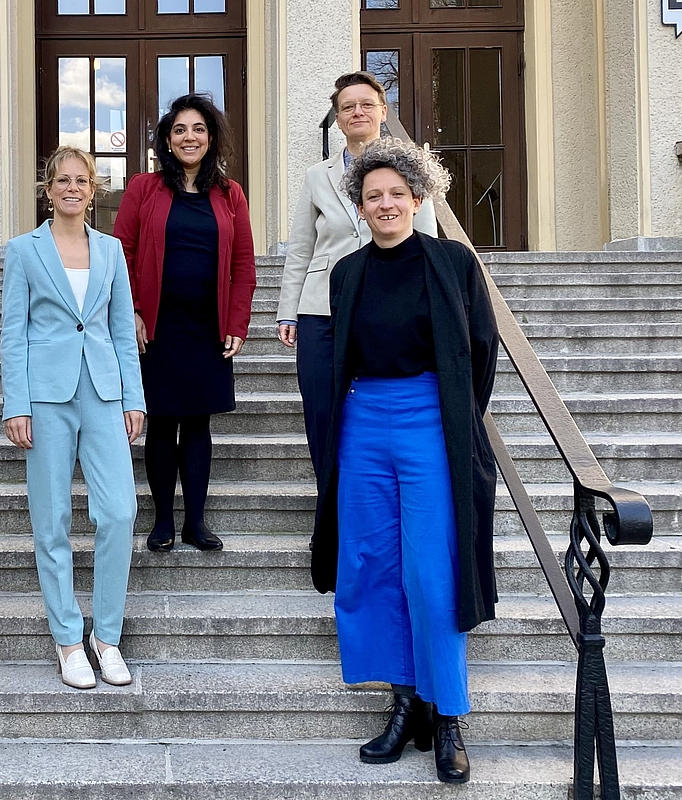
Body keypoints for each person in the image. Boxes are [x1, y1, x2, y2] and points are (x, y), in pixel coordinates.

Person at [308, 138, 499, 784]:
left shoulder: (452, 263)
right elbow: (343, 358)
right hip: (364, 423)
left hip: (428, 422)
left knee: (430, 571)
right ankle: (404, 703)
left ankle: (448, 716)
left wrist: (451, 420)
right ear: (359, 209)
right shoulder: (347, 273)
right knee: (373, 565)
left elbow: (480, 352)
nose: (385, 204)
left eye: (397, 194)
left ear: (419, 199)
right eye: (373, 197)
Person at [0, 145, 146, 691]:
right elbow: (13, 333)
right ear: (49, 188)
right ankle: (68, 638)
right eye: (62, 180)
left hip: (105, 392)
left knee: (119, 513)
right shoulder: (24, 250)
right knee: (52, 518)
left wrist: (135, 398)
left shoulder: (110, 251)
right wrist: (15, 403)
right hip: (45, 397)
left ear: (93, 190)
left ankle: (106, 637)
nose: (71, 189)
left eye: (81, 181)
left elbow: (120, 331)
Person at [113, 93, 256, 553]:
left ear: (211, 137)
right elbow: (121, 255)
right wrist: (132, 310)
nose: (189, 137)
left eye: (198, 129)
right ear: (167, 141)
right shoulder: (144, 188)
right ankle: (162, 521)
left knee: (198, 424)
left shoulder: (230, 194)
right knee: (161, 422)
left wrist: (237, 321)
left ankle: (196, 521)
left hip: (207, 325)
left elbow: (244, 263)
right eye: (179, 130)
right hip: (158, 325)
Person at [277, 72, 437, 480]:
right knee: (320, 409)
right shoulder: (317, 175)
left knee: (366, 410)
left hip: (384, 305)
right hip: (321, 307)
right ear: (338, 116)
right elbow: (301, 247)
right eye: (347, 106)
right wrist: (288, 311)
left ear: (383, 112)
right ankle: (329, 511)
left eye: (367, 104)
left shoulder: (408, 167)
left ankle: (363, 503)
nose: (357, 112)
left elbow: (427, 240)